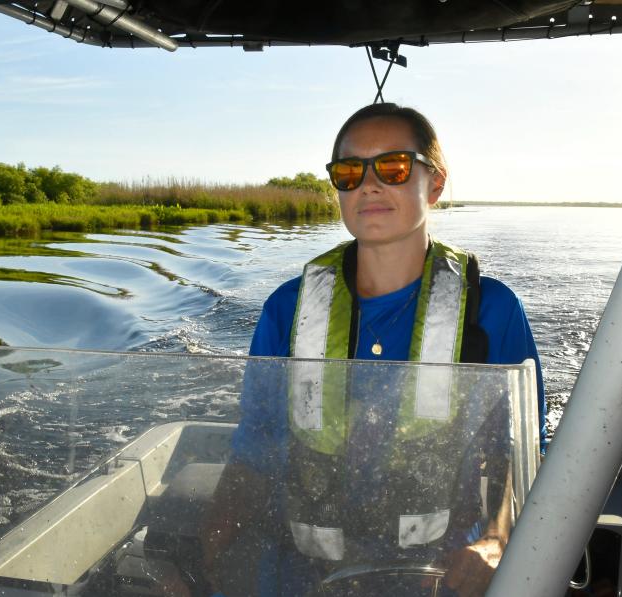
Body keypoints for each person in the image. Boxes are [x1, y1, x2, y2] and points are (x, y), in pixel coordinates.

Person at [200, 103, 545, 597]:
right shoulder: (287, 309)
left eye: (394, 167)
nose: (368, 185)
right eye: (348, 172)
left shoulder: (492, 311)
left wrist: (494, 540)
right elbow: (255, 448)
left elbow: (519, 448)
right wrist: (206, 547)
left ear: (437, 183)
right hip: (302, 576)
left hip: (442, 575)